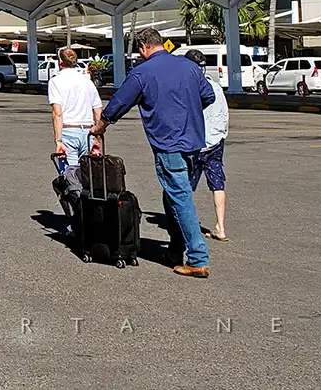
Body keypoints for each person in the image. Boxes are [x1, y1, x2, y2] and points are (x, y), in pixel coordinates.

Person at [89, 27, 216, 278]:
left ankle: (198, 257)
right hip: (193, 140)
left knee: (179, 197)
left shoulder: (142, 72)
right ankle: (175, 249)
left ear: (143, 48)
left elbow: (119, 104)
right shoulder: (189, 67)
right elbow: (208, 95)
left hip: (168, 143)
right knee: (174, 196)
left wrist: (100, 126)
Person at [184, 49, 230, 242]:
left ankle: (187, 225)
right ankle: (221, 226)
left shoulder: (189, 89)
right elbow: (224, 114)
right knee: (217, 183)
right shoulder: (216, 87)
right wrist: (221, 135)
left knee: (186, 186)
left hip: (195, 144)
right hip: (216, 142)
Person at [48, 46, 103, 173]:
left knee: (70, 176)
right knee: (87, 174)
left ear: (60, 62)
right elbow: (98, 110)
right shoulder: (87, 82)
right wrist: (97, 136)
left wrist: (58, 140)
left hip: (68, 131)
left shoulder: (56, 81)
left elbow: (57, 113)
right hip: (88, 131)